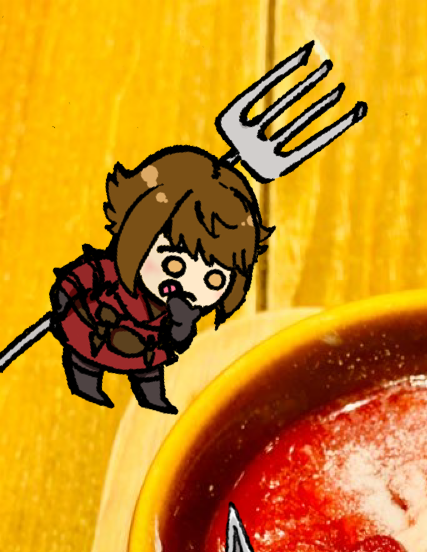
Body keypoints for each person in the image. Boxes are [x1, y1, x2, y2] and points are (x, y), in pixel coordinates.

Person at [51, 146, 272, 414]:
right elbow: (87, 274)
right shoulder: (114, 274)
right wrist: (66, 294)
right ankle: (86, 384)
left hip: (146, 347)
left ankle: (152, 398)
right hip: (98, 327)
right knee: (85, 359)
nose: (189, 285)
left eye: (213, 279)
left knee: (149, 371)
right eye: (174, 264)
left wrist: (181, 323)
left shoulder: (181, 312)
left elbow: (178, 341)